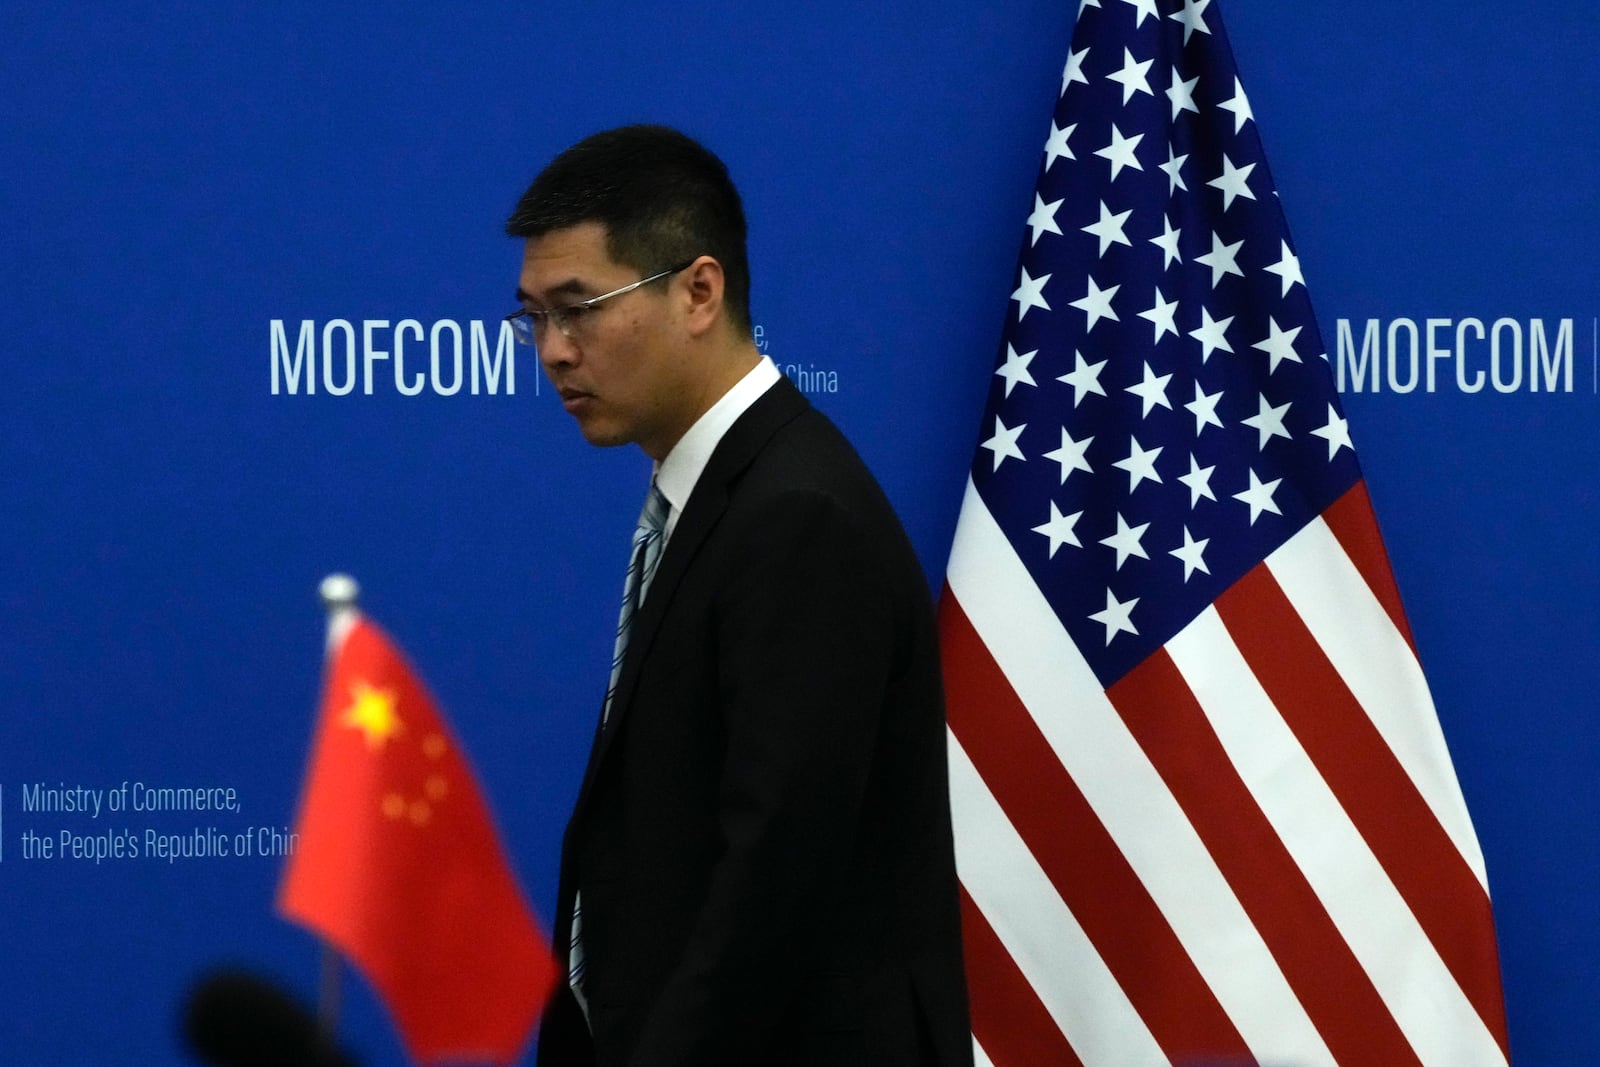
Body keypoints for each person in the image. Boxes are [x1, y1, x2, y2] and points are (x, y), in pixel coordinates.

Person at [505, 125, 971, 1067]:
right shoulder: (718, 493)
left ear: (699, 291)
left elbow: (775, 882)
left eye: (579, 308)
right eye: (533, 318)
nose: (553, 351)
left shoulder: (795, 514)